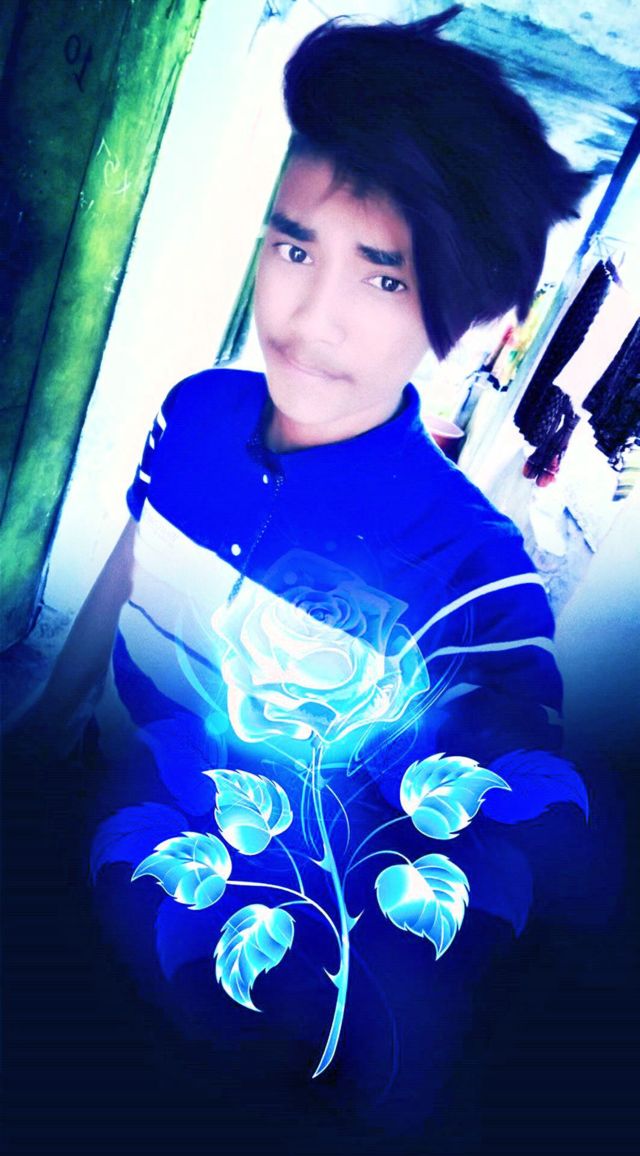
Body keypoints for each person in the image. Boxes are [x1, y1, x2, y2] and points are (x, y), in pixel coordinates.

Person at [11, 7, 592, 1126]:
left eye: (382, 278)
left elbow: (500, 871)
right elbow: (134, 559)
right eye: (292, 248)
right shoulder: (195, 410)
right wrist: (47, 716)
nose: (310, 317)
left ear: (462, 308)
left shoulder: (476, 584)